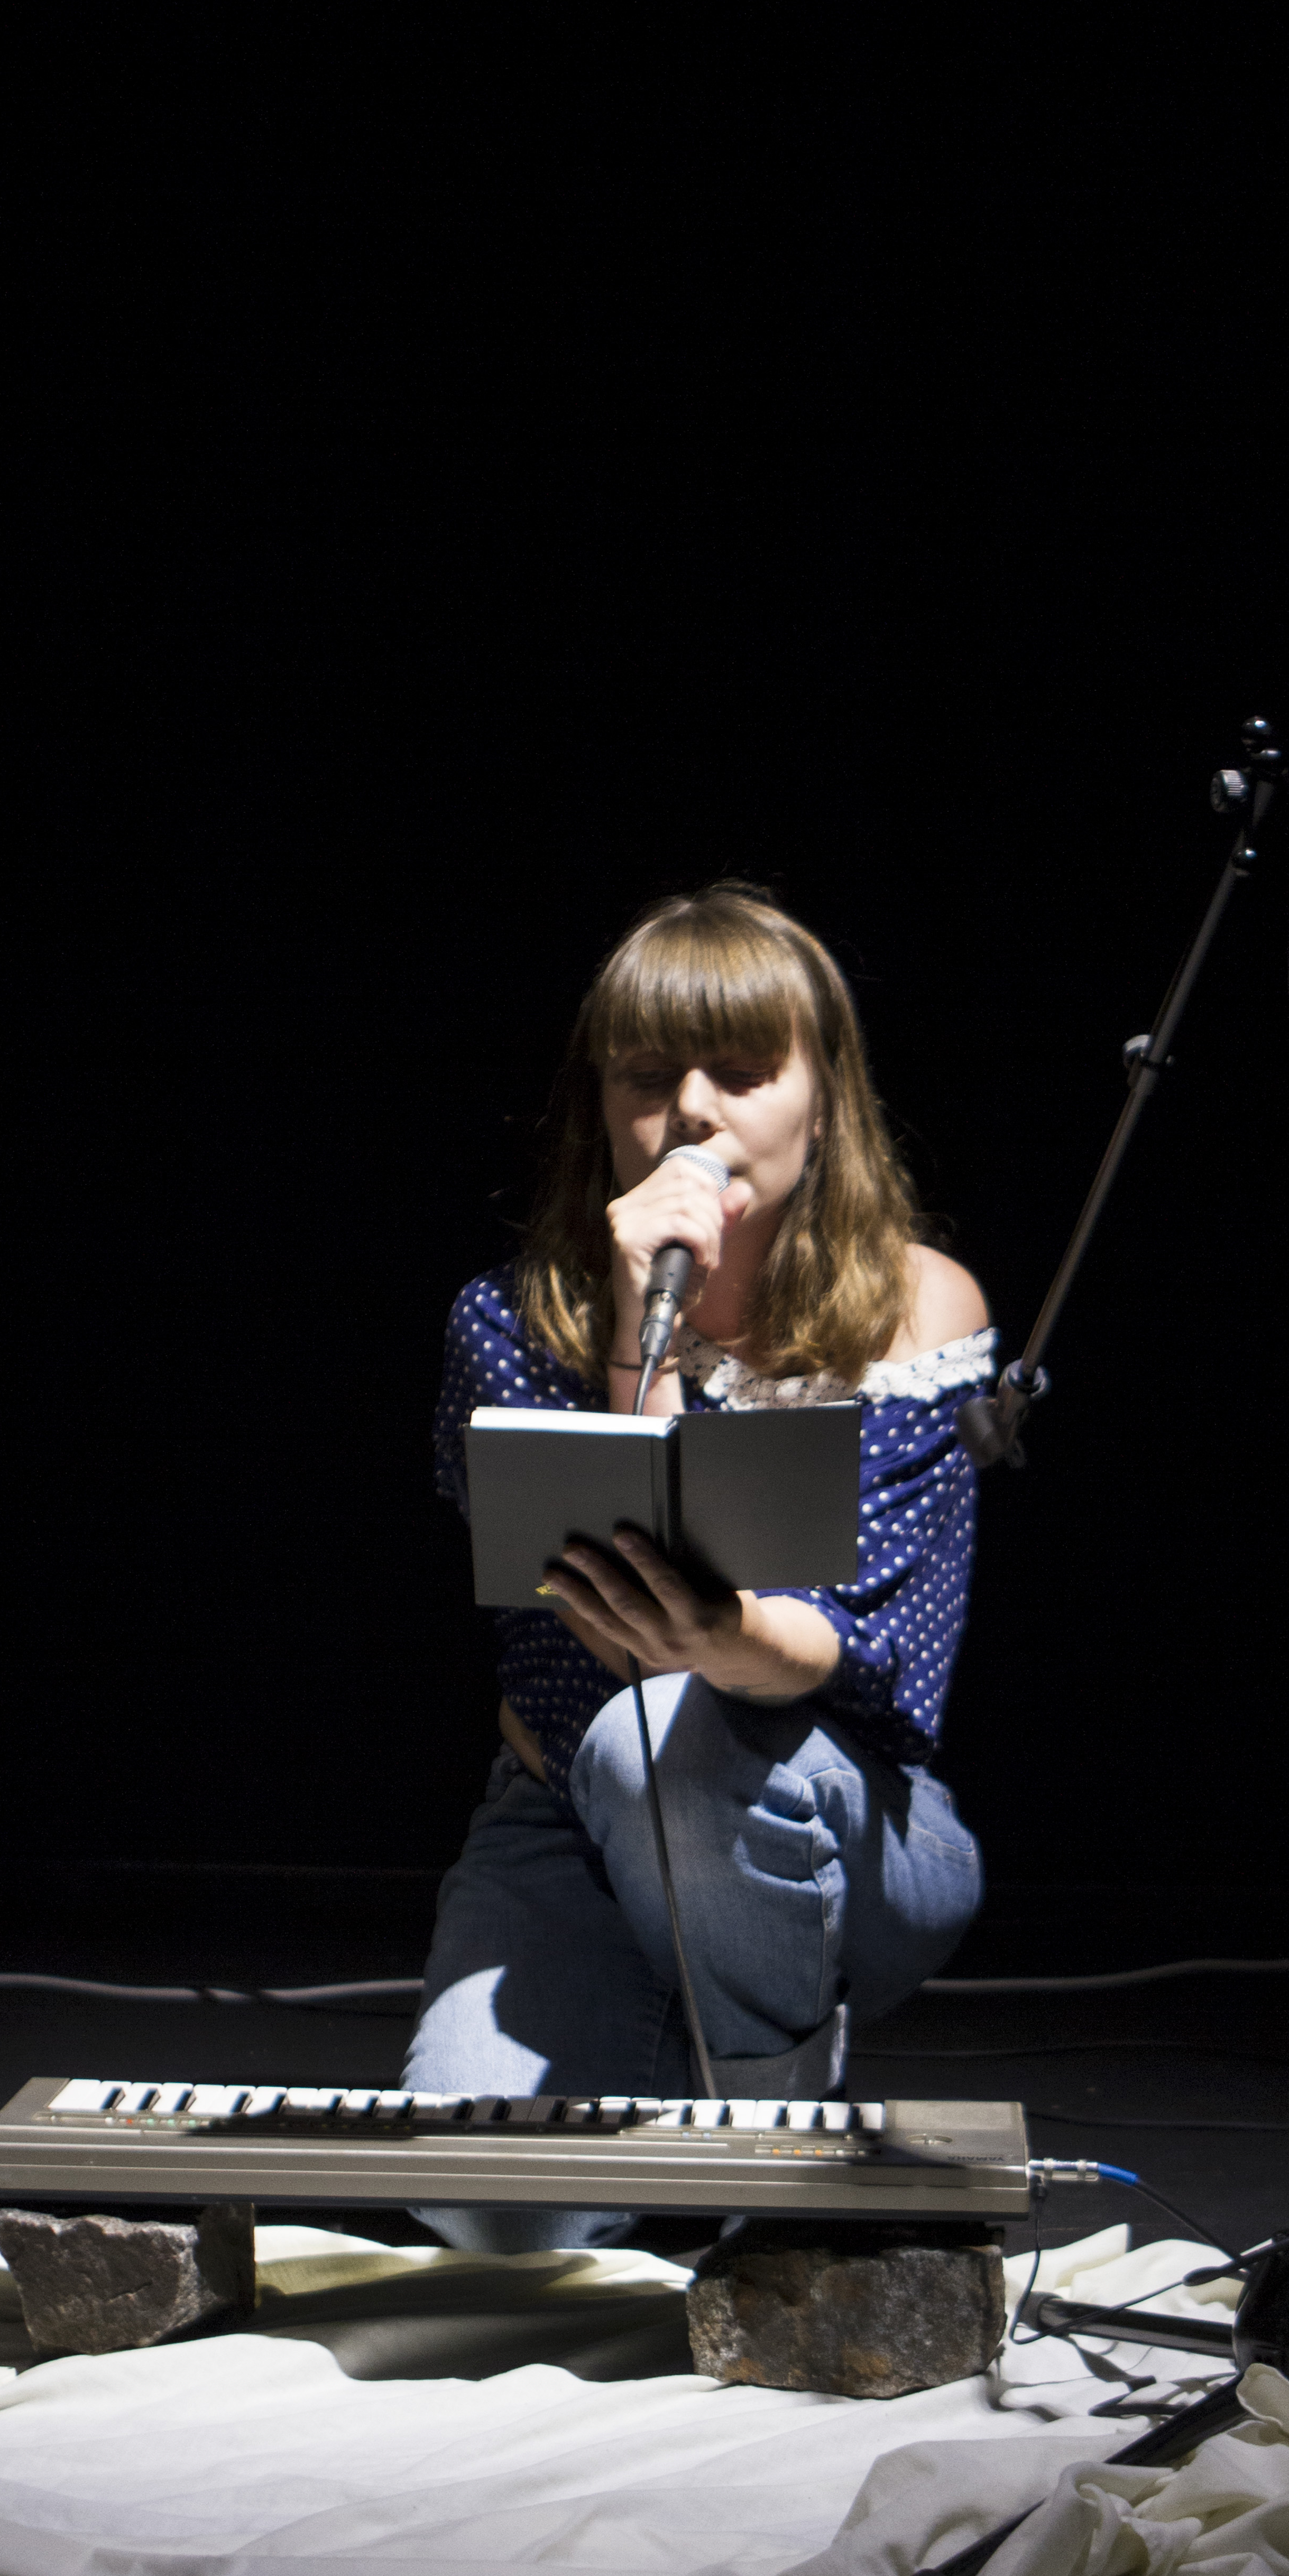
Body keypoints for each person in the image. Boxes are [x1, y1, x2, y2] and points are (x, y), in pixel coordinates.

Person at [404, 881, 995, 2243]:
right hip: (569, 1818)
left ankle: (770, 2162)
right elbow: (607, 1639)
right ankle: (675, 2063)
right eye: (646, 1077)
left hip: (841, 1823)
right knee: (485, 2213)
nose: (690, 1112)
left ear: (823, 1100)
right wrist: (640, 1326)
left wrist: (715, 1638)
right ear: (602, 1106)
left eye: (739, 1072)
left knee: (662, 1732)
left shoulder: (919, 1310)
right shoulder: (509, 1320)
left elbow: (852, 1652)